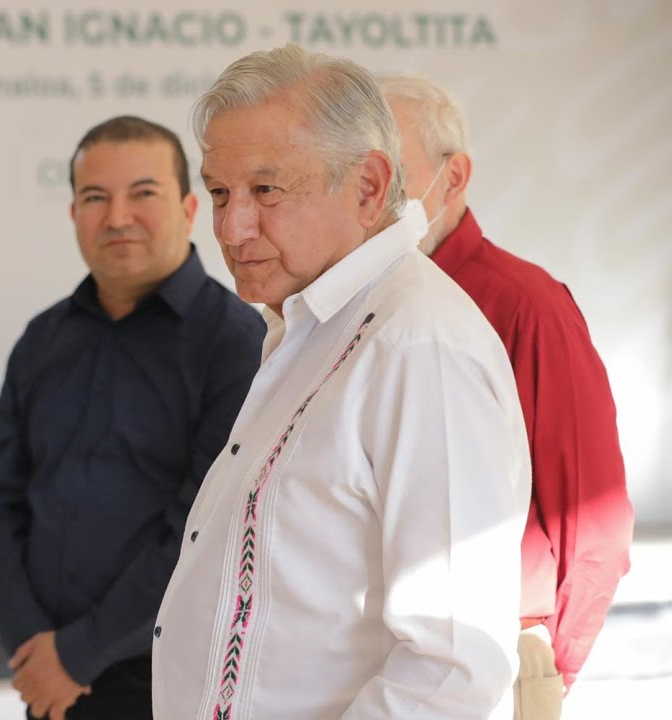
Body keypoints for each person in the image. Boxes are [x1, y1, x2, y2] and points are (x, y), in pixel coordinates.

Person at [152, 45, 532, 719]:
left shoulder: (418, 346)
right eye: (219, 193)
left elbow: (452, 672)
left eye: (267, 190)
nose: (232, 228)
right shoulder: (316, 323)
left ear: (367, 187)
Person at [0, 115, 266, 720]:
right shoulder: (42, 340)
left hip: (172, 682)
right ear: (73, 213)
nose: (117, 217)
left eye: (143, 193)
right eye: (95, 198)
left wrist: (77, 655)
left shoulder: (235, 344)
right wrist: (32, 646)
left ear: (188, 209)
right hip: (48, 679)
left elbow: (204, 534)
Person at [379, 73, 634, 718]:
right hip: (378, 657)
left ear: (454, 177)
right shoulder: (355, 305)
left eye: (394, 174)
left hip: (495, 657)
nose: (374, 196)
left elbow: (595, 518)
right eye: (357, 173)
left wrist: (543, 673)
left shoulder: (526, 307)